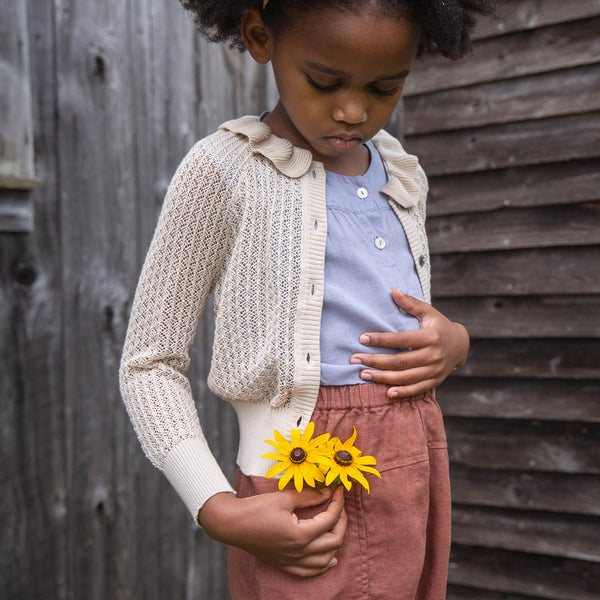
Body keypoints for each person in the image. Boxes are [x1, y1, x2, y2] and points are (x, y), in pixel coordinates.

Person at [120, 1, 496, 598]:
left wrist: (454, 342)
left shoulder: (400, 171)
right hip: (300, 476)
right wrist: (214, 506)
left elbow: (395, 315)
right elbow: (149, 363)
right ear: (260, 36)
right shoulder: (224, 171)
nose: (354, 110)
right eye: (324, 82)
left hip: (414, 458)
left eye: (385, 87)